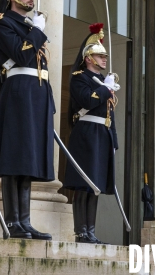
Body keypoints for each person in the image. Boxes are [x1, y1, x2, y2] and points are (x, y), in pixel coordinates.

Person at [0, 0, 54, 240]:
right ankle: (13, 222)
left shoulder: (29, 26)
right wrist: (38, 30)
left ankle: (25, 221)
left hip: (36, 93)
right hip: (18, 91)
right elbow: (23, 54)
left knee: (28, 158)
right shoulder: (3, 23)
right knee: (16, 156)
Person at [63, 23, 120, 244]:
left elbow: (110, 113)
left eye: (105, 56)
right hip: (86, 132)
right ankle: (81, 231)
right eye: (100, 55)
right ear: (89, 58)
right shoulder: (79, 77)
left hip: (102, 133)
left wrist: (113, 139)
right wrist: (105, 89)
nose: (104, 59)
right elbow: (87, 100)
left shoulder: (104, 81)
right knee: (83, 184)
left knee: (95, 186)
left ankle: (91, 231)